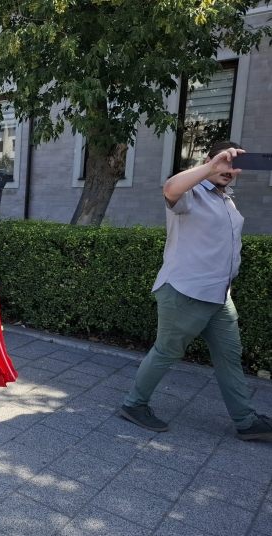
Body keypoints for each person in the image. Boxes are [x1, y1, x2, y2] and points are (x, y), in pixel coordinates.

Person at [120, 141, 272, 440]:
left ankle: (246, 421)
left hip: (219, 296)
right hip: (185, 291)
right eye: (222, 161)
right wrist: (211, 166)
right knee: (167, 351)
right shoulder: (191, 193)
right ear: (208, 161)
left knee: (230, 356)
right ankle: (134, 405)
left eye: (232, 164)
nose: (227, 169)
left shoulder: (226, 199)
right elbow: (170, 187)